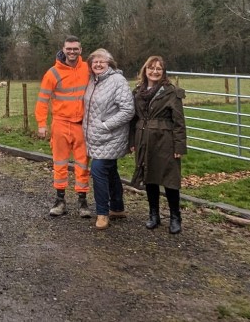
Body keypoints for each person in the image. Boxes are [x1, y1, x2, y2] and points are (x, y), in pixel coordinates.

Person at [129, 55, 187, 234]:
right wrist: (132, 141)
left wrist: (179, 146)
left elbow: (179, 121)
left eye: (158, 69)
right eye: (151, 68)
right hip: (143, 139)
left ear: (163, 72)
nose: (154, 71)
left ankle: (175, 217)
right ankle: (154, 215)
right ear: (145, 70)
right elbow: (133, 119)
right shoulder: (138, 91)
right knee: (149, 177)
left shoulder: (170, 92)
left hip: (165, 140)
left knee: (170, 180)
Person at [37, 36, 91, 218]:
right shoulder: (53, 73)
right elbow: (43, 99)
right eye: (69, 49)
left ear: (81, 50)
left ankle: (83, 202)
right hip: (60, 123)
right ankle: (60, 201)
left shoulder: (87, 69)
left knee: (82, 164)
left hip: (81, 124)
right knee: (59, 163)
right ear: (64, 49)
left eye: (75, 49)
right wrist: (41, 124)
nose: (72, 52)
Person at [83, 48, 135, 230]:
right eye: (94, 62)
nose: (97, 64)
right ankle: (118, 207)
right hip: (95, 137)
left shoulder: (117, 81)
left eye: (102, 62)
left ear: (110, 64)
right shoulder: (92, 80)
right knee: (110, 170)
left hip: (111, 136)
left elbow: (128, 110)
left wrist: (106, 125)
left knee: (98, 170)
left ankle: (102, 213)